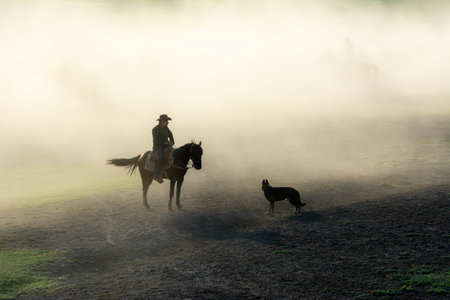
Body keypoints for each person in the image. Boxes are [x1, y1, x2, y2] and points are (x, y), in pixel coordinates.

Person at [152, 114, 175, 183]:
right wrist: (165, 143)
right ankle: (156, 175)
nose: (167, 122)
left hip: (166, 146)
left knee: (174, 153)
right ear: (161, 121)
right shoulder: (155, 129)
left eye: (167, 121)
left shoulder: (166, 128)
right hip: (157, 147)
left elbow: (171, 135)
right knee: (160, 157)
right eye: (166, 121)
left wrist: (172, 142)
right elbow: (156, 141)